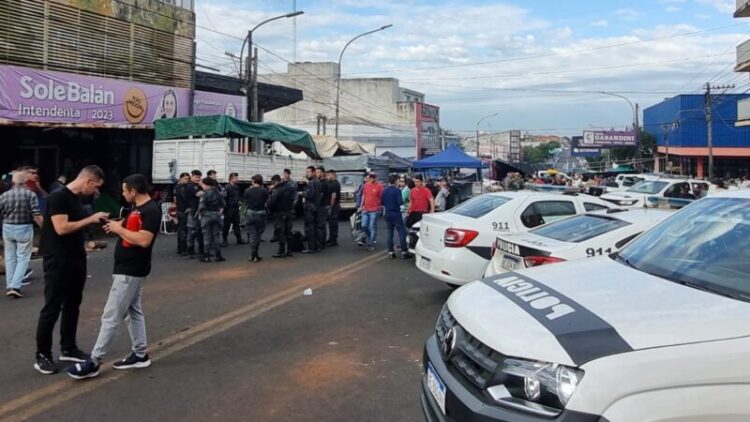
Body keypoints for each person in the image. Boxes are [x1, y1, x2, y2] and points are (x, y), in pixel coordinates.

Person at [66, 174, 160, 379]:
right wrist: (117, 226)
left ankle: (94, 361)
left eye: (125, 191)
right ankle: (140, 354)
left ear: (133, 191)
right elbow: (131, 230)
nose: (123, 194)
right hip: (128, 269)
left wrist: (119, 228)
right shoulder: (138, 209)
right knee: (133, 311)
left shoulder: (150, 210)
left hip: (130, 271)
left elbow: (144, 240)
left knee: (111, 315)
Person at [34, 165, 109, 375]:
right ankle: (43, 354)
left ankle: (69, 347)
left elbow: (75, 225)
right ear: (88, 181)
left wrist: (95, 222)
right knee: (52, 306)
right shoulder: (58, 197)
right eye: (95, 188)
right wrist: (90, 219)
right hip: (57, 258)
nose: (95, 192)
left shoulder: (76, 199)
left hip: (76, 256)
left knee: (72, 304)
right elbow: (62, 227)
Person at [1, 171, 43, 298]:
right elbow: (36, 214)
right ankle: (15, 286)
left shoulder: (4, 195)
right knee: (23, 258)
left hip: (7, 227)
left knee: (9, 257)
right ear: (25, 182)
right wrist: (45, 229)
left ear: (13, 182)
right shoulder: (30, 195)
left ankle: (9, 285)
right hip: (24, 227)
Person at [382, 174, 411, 260]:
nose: (399, 182)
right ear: (395, 181)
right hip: (396, 213)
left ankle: (391, 252)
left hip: (387, 214)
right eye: (398, 180)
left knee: (389, 233)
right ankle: (404, 252)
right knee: (401, 232)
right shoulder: (397, 191)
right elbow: (400, 202)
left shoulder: (385, 190)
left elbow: (382, 202)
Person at [267, 174, 295, 258]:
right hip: (289, 212)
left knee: (281, 232)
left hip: (280, 213)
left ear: (274, 181)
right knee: (289, 232)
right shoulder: (289, 188)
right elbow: (294, 198)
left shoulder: (277, 190)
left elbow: (271, 203)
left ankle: (281, 251)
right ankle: (289, 251)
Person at [198, 177, 225, 263]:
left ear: (207, 185)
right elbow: (223, 204)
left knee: (207, 237)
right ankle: (218, 256)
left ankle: (206, 256)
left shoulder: (204, 195)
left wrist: (201, 214)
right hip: (216, 215)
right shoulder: (218, 193)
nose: (202, 186)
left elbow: (201, 207)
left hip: (206, 216)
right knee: (216, 236)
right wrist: (219, 212)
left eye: (203, 184)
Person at [244, 174, 268, 262]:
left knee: (252, 235)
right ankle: (255, 255)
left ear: (253, 181)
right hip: (261, 213)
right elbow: (267, 201)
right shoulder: (264, 191)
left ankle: (253, 254)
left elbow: (246, 200)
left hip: (250, 213)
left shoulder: (248, 191)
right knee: (258, 234)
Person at [360, 172, 383, 251]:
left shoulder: (379, 186)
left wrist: (380, 206)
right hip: (365, 209)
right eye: (370, 177)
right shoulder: (366, 185)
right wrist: (361, 206)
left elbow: (381, 197)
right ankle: (371, 238)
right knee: (363, 226)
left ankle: (370, 244)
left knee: (372, 226)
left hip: (375, 210)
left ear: (375, 178)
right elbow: (364, 195)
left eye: (372, 177)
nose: (370, 179)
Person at [184, 170, 204, 258]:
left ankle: (200, 251)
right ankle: (190, 250)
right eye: (196, 177)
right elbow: (198, 194)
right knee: (192, 232)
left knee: (199, 232)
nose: (197, 179)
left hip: (199, 211)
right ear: (192, 177)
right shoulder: (190, 186)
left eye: (199, 177)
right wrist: (207, 189)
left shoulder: (198, 185)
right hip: (193, 211)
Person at [222, 172, 245, 246]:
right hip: (229, 208)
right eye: (235, 178)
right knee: (226, 225)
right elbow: (224, 198)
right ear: (231, 179)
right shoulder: (227, 187)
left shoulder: (236, 187)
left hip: (235, 208)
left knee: (237, 224)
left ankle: (239, 239)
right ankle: (224, 240)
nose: (237, 179)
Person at [302, 166, 321, 253]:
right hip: (316, 207)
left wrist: (303, 193)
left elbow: (310, 194)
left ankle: (311, 247)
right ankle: (317, 246)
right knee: (316, 227)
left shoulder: (311, 183)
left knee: (310, 228)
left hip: (310, 207)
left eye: (309, 172)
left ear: (313, 172)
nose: (307, 173)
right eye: (307, 172)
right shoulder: (318, 181)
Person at [173, 172, 190, 255]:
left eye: (188, 179)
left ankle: (180, 248)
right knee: (183, 230)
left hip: (180, 210)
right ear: (181, 178)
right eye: (186, 179)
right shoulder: (180, 187)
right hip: (183, 210)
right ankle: (183, 249)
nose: (187, 180)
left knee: (181, 230)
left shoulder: (177, 187)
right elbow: (182, 199)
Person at [326, 170, 341, 247]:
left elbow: (333, 197)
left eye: (328, 175)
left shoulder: (335, 184)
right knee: (330, 224)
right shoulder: (331, 183)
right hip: (333, 206)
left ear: (333, 175)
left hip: (334, 206)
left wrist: (330, 207)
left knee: (333, 224)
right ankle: (331, 239)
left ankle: (333, 241)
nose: (327, 177)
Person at [316, 166, 330, 250]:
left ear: (322, 173)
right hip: (323, 206)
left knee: (320, 225)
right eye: (316, 172)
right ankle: (322, 242)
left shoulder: (323, 183)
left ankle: (321, 244)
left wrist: (316, 204)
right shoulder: (322, 182)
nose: (317, 174)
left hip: (322, 206)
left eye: (318, 172)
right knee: (322, 225)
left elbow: (320, 195)